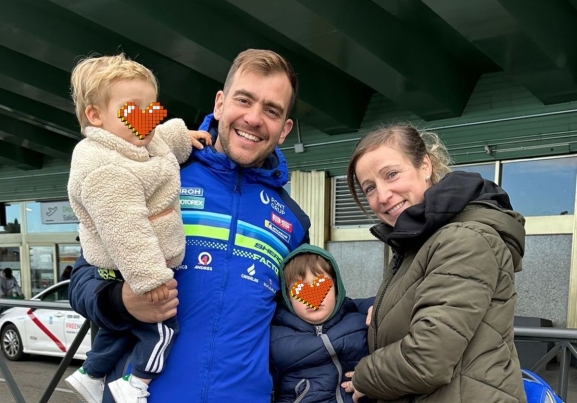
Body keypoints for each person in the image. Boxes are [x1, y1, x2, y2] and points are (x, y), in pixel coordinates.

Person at [69, 48, 311, 403]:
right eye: (244, 100)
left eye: (272, 110)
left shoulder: (293, 222)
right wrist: (121, 301)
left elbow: (305, 316)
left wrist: (365, 316)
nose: (254, 118)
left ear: (285, 129)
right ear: (220, 104)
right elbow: (82, 280)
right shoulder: (155, 173)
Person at [341, 124, 527, 403]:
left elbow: (427, 359)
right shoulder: (418, 242)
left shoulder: (462, 239)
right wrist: (378, 310)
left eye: (391, 174)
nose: (382, 195)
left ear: (425, 166)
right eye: (370, 188)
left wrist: (364, 377)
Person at [64, 54, 212, 403]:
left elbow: (162, 138)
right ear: (95, 116)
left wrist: (182, 135)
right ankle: (135, 384)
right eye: (133, 110)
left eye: (152, 108)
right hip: (129, 269)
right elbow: (126, 230)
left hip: (119, 270)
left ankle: (90, 373)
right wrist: (152, 279)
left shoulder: (136, 138)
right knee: (162, 330)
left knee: (119, 331)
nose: (148, 119)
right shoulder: (106, 171)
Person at [271, 244, 370, 403]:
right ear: (288, 298)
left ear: (336, 290)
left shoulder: (358, 320)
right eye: (299, 290)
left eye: (323, 285)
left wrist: (379, 308)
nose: (313, 299)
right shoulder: (276, 337)